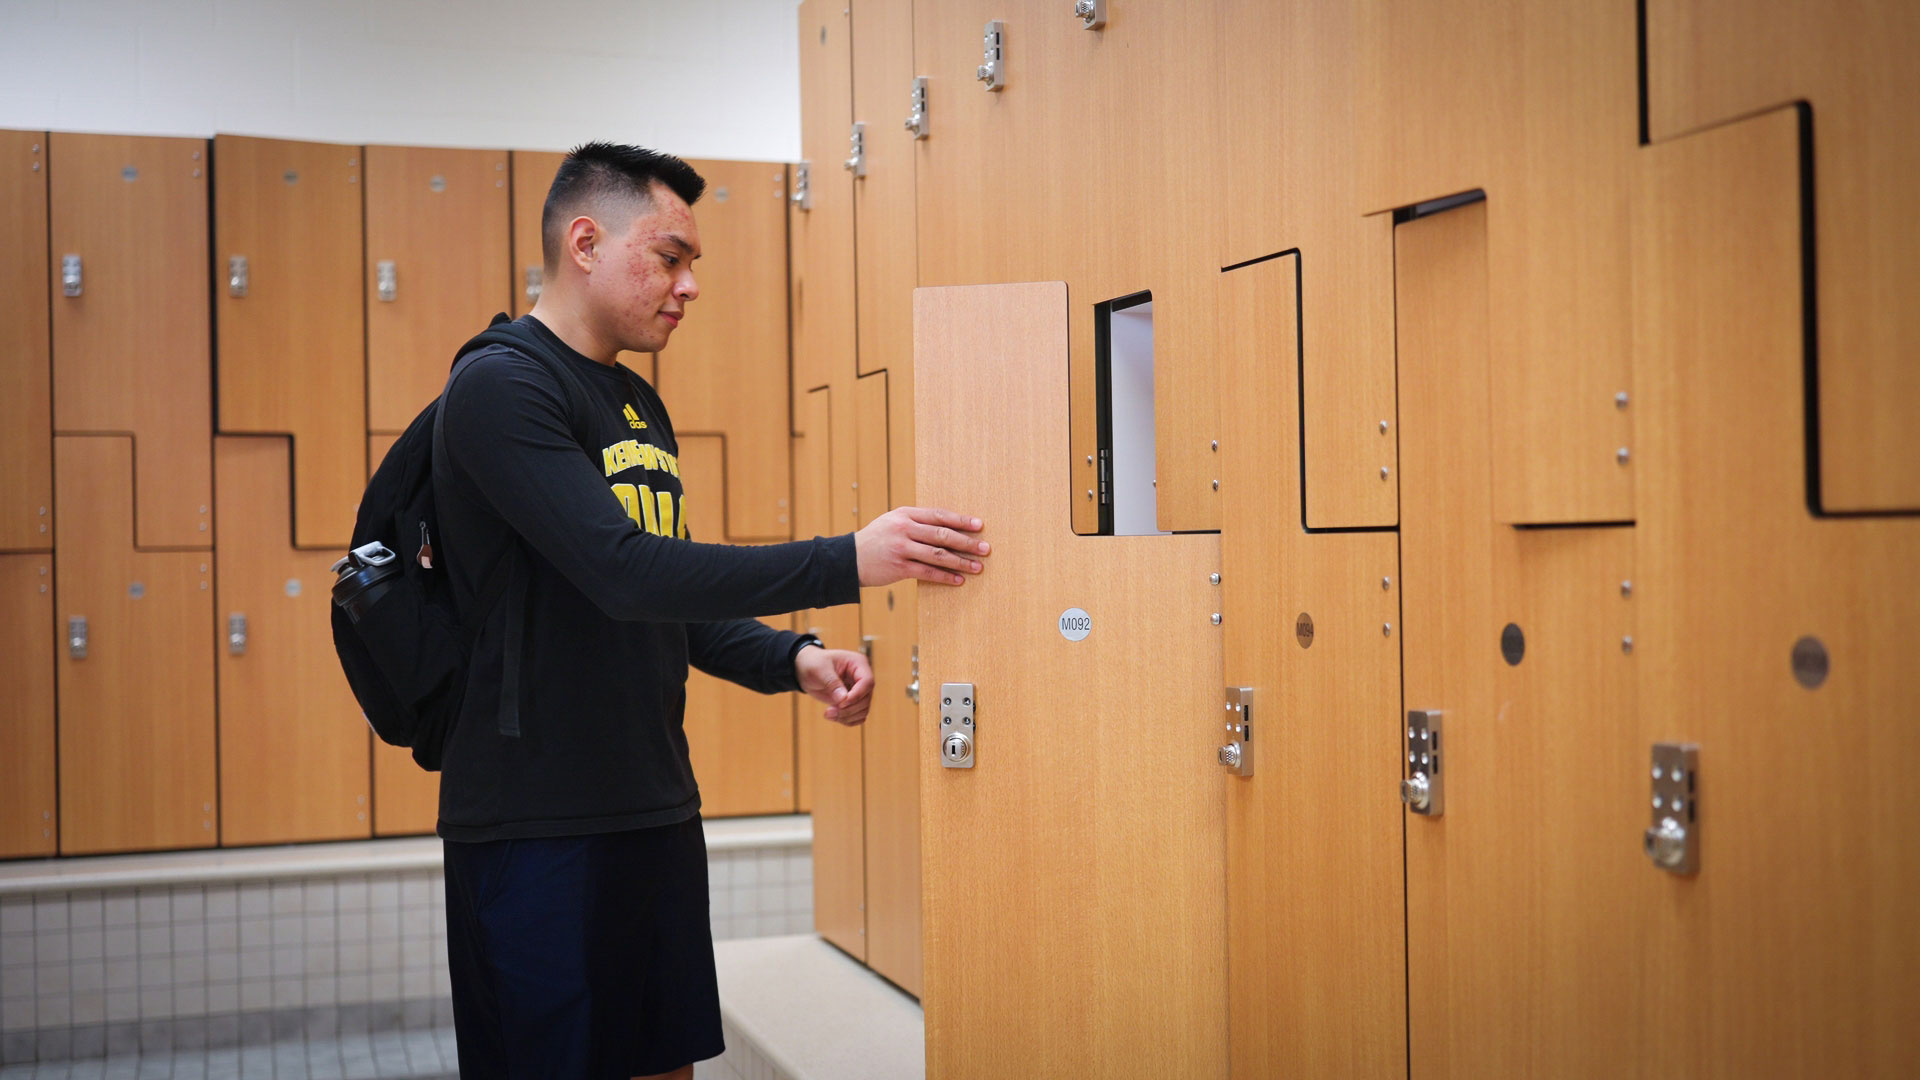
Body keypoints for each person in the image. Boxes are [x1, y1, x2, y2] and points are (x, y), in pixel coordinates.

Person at [430, 142, 989, 1079]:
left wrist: (792, 657)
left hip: (650, 804)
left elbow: (660, 601)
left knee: (665, 1062)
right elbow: (625, 572)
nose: (687, 285)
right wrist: (849, 558)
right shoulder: (501, 386)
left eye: (692, 264)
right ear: (583, 241)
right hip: (534, 826)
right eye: (670, 256)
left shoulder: (637, 404)